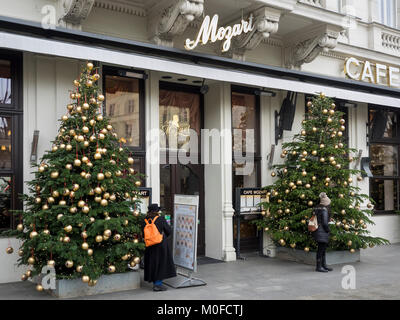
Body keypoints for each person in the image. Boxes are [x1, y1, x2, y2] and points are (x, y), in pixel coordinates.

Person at [143, 204, 176, 291]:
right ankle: (158, 284)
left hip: (149, 246)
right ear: (156, 211)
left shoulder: (145, 220)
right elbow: (168, 231)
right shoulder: (160, 219)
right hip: (160, 245)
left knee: (152, 264)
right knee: (160, 264)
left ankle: (155, 282)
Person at [312, 193, 333, 273]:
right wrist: (328, 230)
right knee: (321, 249)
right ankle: (319, 267)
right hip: (322, 231)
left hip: (317, 230)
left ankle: (323, 265)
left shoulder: (317, 208)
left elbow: (319, 219)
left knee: (322, 249)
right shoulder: (324, 210)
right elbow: (324, 223)